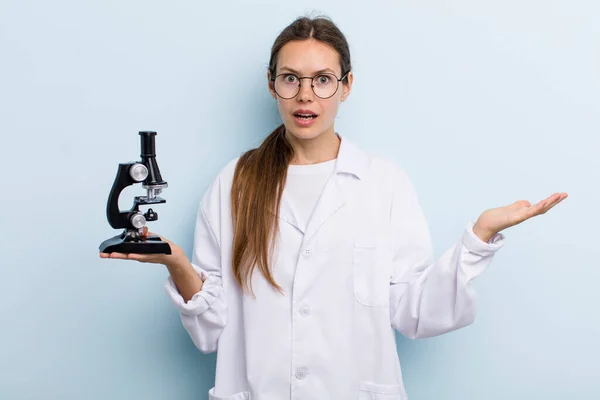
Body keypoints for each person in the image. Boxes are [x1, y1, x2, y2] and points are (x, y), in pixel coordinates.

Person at [100, 15, 567, 400]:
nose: (306, 95)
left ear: (345, 87)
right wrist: (177, 265)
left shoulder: (383, 183)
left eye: (322, 80)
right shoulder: (234, 184)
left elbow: (414, 311)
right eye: (291, 79)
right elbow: (210, 331)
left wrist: (477, 239)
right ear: (272, 85)